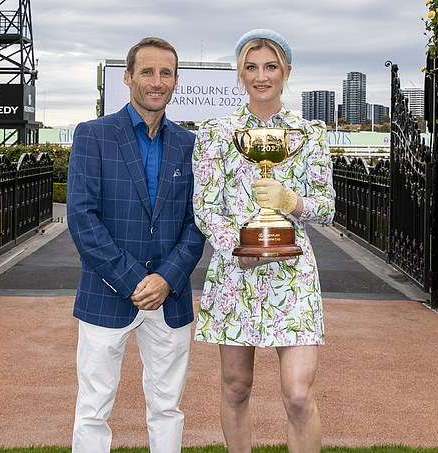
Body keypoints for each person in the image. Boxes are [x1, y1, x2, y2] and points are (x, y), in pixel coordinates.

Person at [192, 29, 335, 452]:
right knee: (236, 388)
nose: (261, 76)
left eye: (270, 66)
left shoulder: (309, 134)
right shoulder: (217, 133)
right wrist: (239, 249)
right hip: (236, 274)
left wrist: (292, 202)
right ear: (240, 74)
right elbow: (205, 206)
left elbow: (327, 206)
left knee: (297, 394)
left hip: (293, 275)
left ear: (286, 72)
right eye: (251, 67)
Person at [67, 37, 205, 453]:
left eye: (166, 73)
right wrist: (133, 279)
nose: (156, 81)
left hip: (170, 297)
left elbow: (197, 222)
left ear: (176, 81)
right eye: (147, 71)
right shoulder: (93, 135)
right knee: (93, 408)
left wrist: (166, 278)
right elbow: (82, 219)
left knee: (167, 408)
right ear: (128, 78)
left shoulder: (189, 145)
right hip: (107, 293)